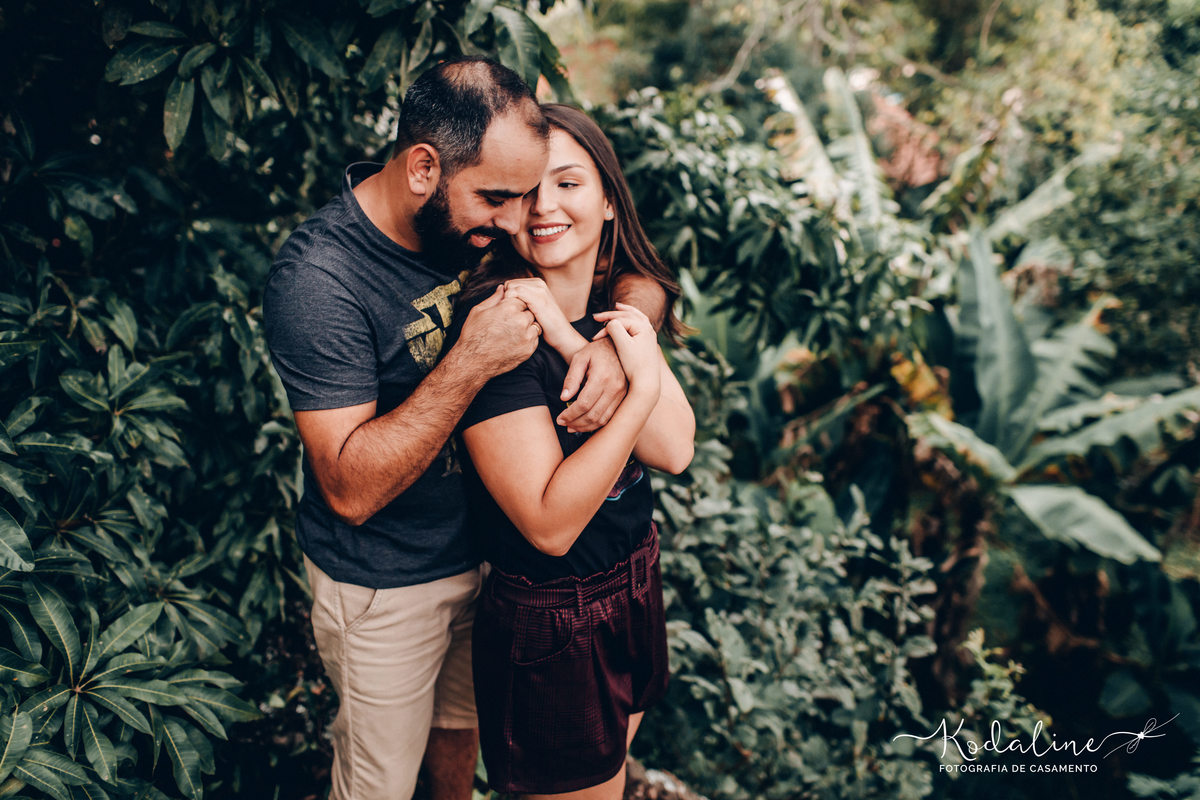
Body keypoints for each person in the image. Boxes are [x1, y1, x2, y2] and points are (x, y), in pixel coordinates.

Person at [262, 62, 664, 800]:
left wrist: (613, 344)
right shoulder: (321, 281)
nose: (517, 221)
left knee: (459, 739)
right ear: (423, 168)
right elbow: (349, 489)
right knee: (378, 782)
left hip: (496, 568)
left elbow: (622, 258)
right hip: (387, 582)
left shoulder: (478, 218)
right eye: (499, 199)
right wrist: (470, 363)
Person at [455, 104, 696, 799]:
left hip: (632, 580)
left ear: (610, 204)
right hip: (551, 623)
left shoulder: (609, 313)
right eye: (526, 189)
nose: (544, 207)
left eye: (568, 183)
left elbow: (675, 448)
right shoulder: (495, 333)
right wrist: (640, 378)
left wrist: (577, 341)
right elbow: (548, 524)